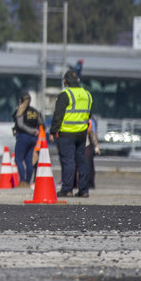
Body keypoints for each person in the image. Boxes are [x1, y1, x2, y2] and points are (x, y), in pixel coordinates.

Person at [50, 69, 93, 198]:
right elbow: (88, 114)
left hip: (67, 133)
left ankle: (67, 189)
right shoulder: (87, 94)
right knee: (82, 161)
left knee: (68, 161)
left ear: (65, 81)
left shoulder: (65, 94)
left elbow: (58, 115)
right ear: (78, 81)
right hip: (82, 133)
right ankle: (84, 190)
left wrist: (53, 131)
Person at [12, 93, 42, 186]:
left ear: (20, 100)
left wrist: (31, 131)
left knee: (18, 159)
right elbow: (41, 122)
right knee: (29, 160)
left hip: (23, 136)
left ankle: (23, 180)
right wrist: (35, 131)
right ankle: (28, 181)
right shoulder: (34, 111)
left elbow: (20, 125)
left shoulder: (21, 111)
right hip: (33, 138)